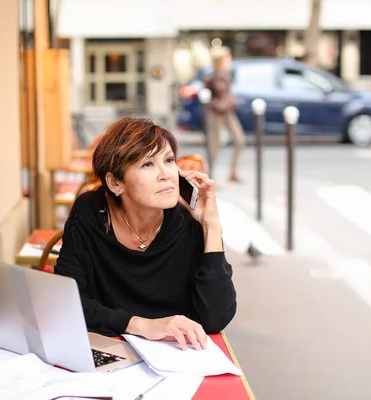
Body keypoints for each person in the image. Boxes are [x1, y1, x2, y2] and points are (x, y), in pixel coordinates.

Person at [54, 117, 237, 350]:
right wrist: (142, 325)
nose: (166, 174)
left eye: (169, 160)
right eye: (147, 164)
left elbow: (215, 318)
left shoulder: (187, 222)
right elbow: (69, 303)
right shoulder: (91, 211)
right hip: (107, 351)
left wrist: (211, 226)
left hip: (175, 356)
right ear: (115, 182)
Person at [203, 46, 245, 182]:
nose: (229, 60)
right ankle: (208, 177)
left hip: (227, 111)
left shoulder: (226, 74)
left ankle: (233, 172)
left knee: (239, 139)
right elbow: (216, 94)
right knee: (214, 146)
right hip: (216, 113)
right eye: (227, 57)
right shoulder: (214, 76)